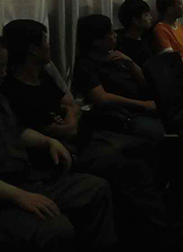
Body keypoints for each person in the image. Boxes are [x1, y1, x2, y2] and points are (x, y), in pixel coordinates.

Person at [2, 20, 183, 247]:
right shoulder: (14, 90)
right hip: (71, 152)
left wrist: (68, 116)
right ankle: (163, 233)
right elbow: (67, 128)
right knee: (132, 167)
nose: (49, 46)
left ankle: (152, 221)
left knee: (147, 149)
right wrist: (69, 118)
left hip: (87, 135)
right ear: (32, 48)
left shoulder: (42, 76)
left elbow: (71, 105)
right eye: (45, 41)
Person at [0, 36, 117, 249]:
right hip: (8, 192)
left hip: (26, 177)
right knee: (56, 229)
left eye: (5, 66)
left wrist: (48, 141)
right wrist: (19, 196)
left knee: (97, 188)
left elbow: (16, 131)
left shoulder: (2, 98)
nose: (4, 73)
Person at [73, 15, 164, 141]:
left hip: (148, 102)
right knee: (158, 133)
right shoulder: (85, 65)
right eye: (110, 33)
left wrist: (130, 63)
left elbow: (147, 83)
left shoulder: (115, 55)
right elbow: (102, 98)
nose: (115, 35)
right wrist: (143, 105)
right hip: (128, 114)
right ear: (97, 41)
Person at [116, 0, 154, 67]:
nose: (150, 17)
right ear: (135, 20)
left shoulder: (147, 35)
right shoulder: (124, 46)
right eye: (146, 15)